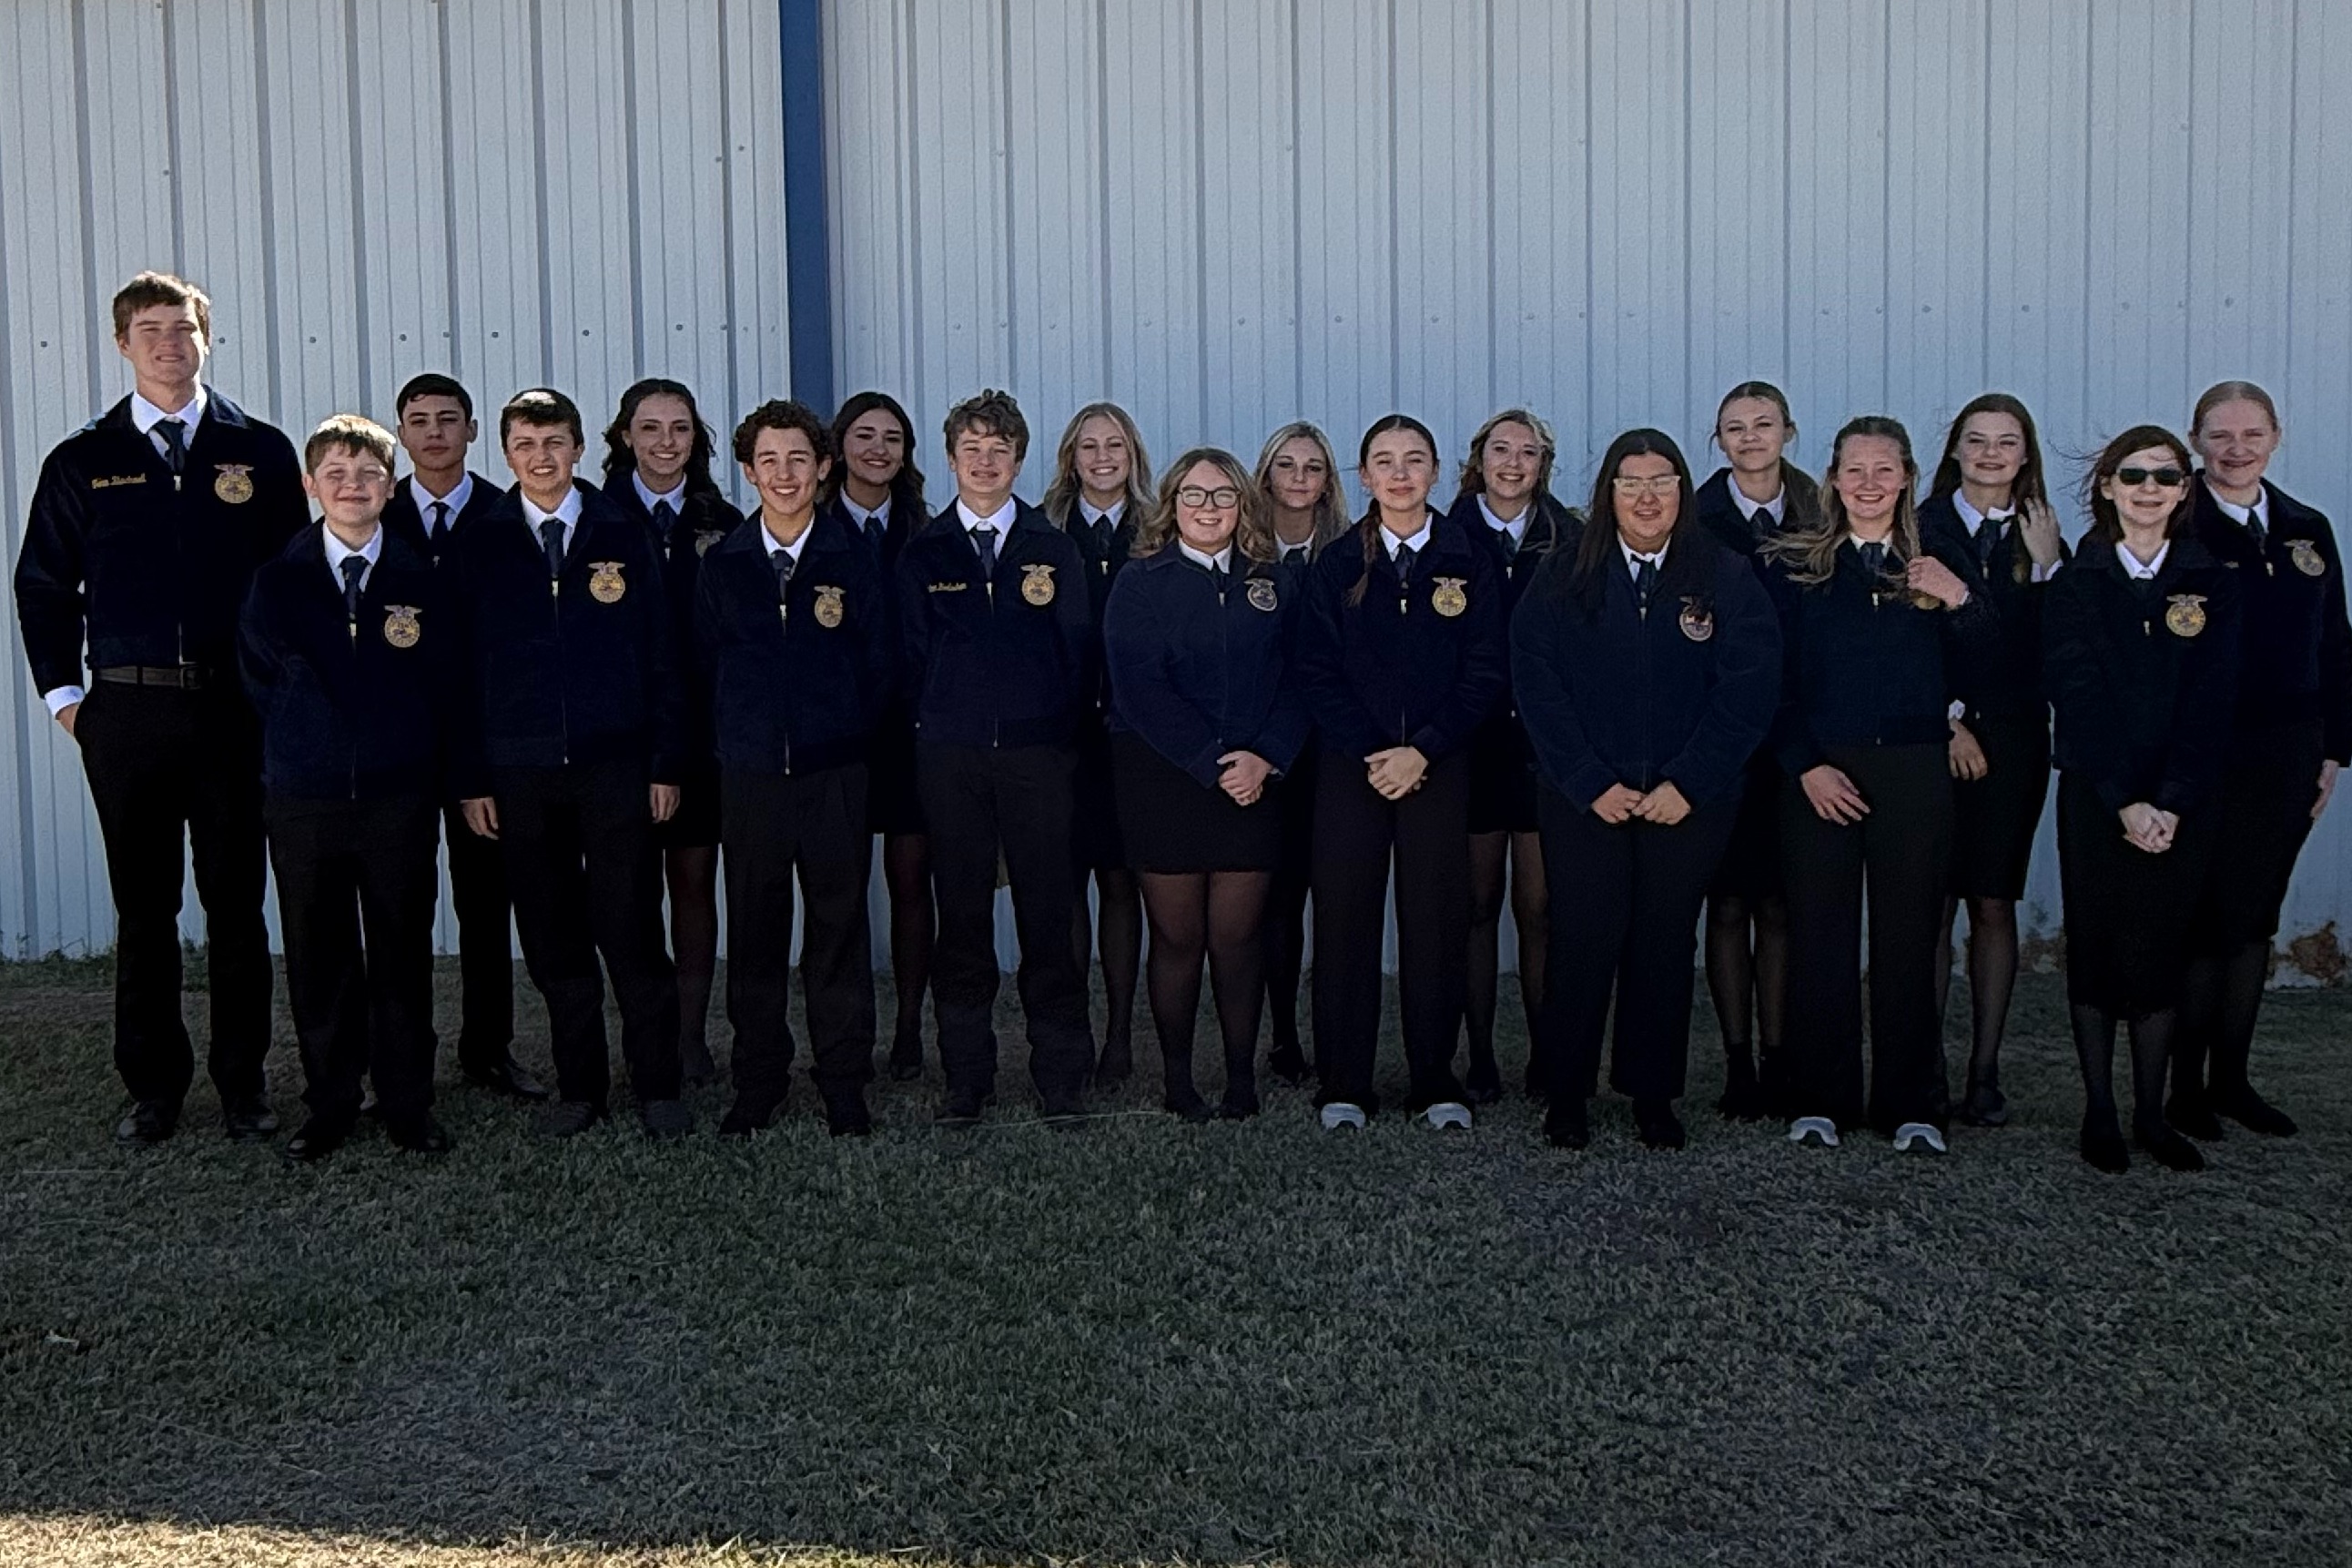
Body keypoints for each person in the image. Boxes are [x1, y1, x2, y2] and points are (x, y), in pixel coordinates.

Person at [14, 271, 305, 1144]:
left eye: (183, 329)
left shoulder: (256, 450)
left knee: (236, 905)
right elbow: (42, 585)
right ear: (121, 343)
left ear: (206, 338)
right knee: (145, 908)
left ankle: (244, 1082)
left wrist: (279, 694)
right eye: (149, 330)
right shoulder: (82, 458)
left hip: (231, 716)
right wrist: (70, 700)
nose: (168, 345)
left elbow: (293, 581)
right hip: (128, 718)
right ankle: (154, 1087)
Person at [1513, 430, 1779, 1149]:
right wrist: (1587, 779)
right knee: (1582, 939)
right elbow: (1536, 681)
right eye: (1629, 483)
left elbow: (1749, 689)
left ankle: (1652, 1092)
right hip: (1584, 798)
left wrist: (1688, 782)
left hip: (1685, 802)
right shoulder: (1565, 571)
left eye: (1661, 480)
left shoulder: (1722, 574)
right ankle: (1566, 1091)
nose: (1646, 496)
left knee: (1663, 942)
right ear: (1607, 493)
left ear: (1684, 490)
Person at [450, 388, 691, 1140]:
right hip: (521, 774)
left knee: (632, 929)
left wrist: (665, 762)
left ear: (581, 448)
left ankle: (658, 1085)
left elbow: (663, 656)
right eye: (524, 444)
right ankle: (579, 1086)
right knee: (553, 935)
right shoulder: (480, 538)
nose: (541, 456)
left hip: (615, 767)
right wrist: (471, 777)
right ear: (506, 453)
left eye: (554, 441)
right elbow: (456, 671)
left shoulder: (622, 528)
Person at [1764, 416, 1992, 1154]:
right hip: (1824, 771)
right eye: (1854, 470)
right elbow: (1771, 681)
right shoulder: (1798, 564)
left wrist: (1960, 600)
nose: (1868, 484)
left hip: (1915, 769)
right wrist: (1804, 764)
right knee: (1820, 933)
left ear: (1908, 478)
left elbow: (1994, 659)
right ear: (1832, 479)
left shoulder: (1942, 559)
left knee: (1909, 934)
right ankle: (1818, 1098)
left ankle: (1913, 1102)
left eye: (1884, 470)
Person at [238, 416, 456, 1163]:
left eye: (367, 474)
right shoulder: (277, 580)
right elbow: (263, 682)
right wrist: (313, 741)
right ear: (310, 485)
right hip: (305, 797)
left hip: (398, 796)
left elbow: (444, 684)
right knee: (318, 953)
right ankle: (329, 1102)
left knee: (401, 951)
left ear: (390, 487)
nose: (352, 486)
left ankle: (407, 1102)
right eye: (336, 473)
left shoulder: (422, 580)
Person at [1297, 415, 1505, 1131]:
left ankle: (1433, 1077)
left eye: (1414, 460)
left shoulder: (1468, 557)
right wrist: (1374, 752)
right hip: (1352, 768)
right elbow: (1317, 673)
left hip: (1438, 768)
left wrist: (1426, 748)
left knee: (1436, 922)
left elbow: (1485, 670)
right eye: (1384, 461)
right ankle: (1344, 1082)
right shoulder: (1336, 564)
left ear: (1437, 472)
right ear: (1363, 477)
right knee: (1346, 921)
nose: (1400, 473)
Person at [896, 389, 1099, 1125]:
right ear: (951, 460)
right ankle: (967, 1079)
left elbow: (1077, 653)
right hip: (951, 760)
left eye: (1000, 450)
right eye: (972, 449)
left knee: (1050, 917)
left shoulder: (1053, 548)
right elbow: (909, 658)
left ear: (1019, 460)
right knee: (963, 920)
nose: (986, 462)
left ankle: (1062, 1077)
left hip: (1037, 758)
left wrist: (1050, 736)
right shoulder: (924, 552)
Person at [2044, 428, 2241, 1173]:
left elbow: (2212, 701)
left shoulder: (2213, 580)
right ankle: (2099, 1111)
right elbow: (2077, 694)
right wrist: (2124, 799)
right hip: (2098, 797)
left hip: (2181, 803)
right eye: (2133, 475)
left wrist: (2171, 800)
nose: (2149, 488)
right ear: (2106, 486)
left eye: (2165, 476)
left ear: (2185, 490)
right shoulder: (2075, 581)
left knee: (2161, 952)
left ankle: (2152, 1114)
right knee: (2095, 948)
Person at [697, 400, 894, 1138]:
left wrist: (837, 735)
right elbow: (702, 668)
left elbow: (879, 669)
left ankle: (844, 1078)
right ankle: (758, 1079)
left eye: (798, 460)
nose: (784, 475)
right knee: (755, 930)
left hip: (834, 774)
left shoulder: (854, 560)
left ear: (823, 469)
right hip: (750, 777)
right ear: (749, 473)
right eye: (769, 461)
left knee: (838, 929)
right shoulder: (723, 565)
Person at [1103, 449, 1309, 1120]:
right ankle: (1179, 1082)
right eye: (1194, 496)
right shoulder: (1141, 582)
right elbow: (1139, 688)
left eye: (1223, 496)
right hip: (1166, 782)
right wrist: (1211, 761)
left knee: (1238, 938)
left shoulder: (1271, 582)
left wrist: (1265, 758)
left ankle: (1242, 1081)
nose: (1209, 508)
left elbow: (1300, 680)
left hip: (1254, 785)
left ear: (1243, 505)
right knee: (1179, 940)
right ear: (1172, 504)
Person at [2172, 381, 2352, 1138]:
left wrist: (2336, 749)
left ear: (2276, 435)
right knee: (2201, 916)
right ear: (2197, 439)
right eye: (2220, 435)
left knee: (2254, 918)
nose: (2236, 448)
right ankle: (2181, 1086)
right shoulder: (2177, 519)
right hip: (2205, 749)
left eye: (2251, 434)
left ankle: (2232, 1079)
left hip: (2289, 750)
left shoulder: (2306, 526)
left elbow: (2336, 641)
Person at [382, 373, 540, 1101]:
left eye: (450, 419)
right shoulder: (374, 511)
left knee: (485, 904)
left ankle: (489, 1048)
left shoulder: (508, 517)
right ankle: (399, 1058)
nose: (435, 433)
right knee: (398, 907)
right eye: (419, 421)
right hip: (401, 746)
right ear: (401, 434)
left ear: (474, 431)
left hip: (483, 745)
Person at [1918, 393, 2065, 1128]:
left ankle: (1984, 1070)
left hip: (2013, 740)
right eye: (1976, 440)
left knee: (1993, 900)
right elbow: (1912, 644)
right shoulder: (1923, 525)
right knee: (1932, 902)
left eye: (2006, 442)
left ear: (2024, 454)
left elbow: (2048, 657)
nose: (1990, 453)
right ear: (1954, 450)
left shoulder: (2043, 536)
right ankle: (1927, 1068)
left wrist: (2045, 574)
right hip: (1934, 733)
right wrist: (1947, 720)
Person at [603, 379, 745, 1087]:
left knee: (693, 882)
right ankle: (643, 1040)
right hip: (621, 735)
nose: (666, 442)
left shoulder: (722, 519)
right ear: (624, 436)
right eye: (650, 428)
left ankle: (689, 1037)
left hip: (701, 737)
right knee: (627, 894)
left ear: (697, 439)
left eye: (680, 429)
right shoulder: (596, 518)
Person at [1690, 380, 1817, 1120]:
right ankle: (1737, 1060)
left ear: (1787, 432)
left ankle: (1780, 1055)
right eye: (1734, 427)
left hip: (1799, 740)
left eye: (1762, 425)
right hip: (1723, 741)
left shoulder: (1818, 514)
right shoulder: (1696, 519)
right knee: (1729, 901)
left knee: (1784, 904)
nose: (1749, 438)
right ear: (1719, 439)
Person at [1445, 409, 1572, 1102]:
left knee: (1541, 905)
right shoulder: (1447, 535)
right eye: (1501, 449)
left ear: (1543, 463)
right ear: (1479, 458)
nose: (1514, 463)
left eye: (1528, 452)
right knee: (1473, 903)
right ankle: (1480, 1057)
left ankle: (1547, 1054)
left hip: (1544, 747)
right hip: (1469, 746)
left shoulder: (1571, 537)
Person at [824, 391, 934, 1080]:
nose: (878, 450)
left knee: (910, 883)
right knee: (841, 888)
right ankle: (848, 1032)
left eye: (892, 438)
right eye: (864, 436)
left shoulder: (926, 532)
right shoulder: (811, 525)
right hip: (834, 734)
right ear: (839, 448)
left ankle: (909, 1029)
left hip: (910, 735)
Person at [1042, 402, 1151, 1085]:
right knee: (1064, 883)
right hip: (1058, 737)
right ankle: (1073, 1033)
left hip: (1134, 737)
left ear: (1133, 454)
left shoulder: (1159, 530)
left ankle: (1118, 1034)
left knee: (1121, 882)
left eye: (1115, 445)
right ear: (1071, 458)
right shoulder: (1043, 531)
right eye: (1089, 446)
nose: (1103, 457)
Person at [1251, 421, 1353, 1086]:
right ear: (1266, 475)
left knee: (1335, 896)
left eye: (1312, 467)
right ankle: (1284, 1035)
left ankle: (1336, 1033)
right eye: (1285, 464)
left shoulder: (1350, 553)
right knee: (1277, 899)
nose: (1297, 477)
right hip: (1263, 748)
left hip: (1334, 748)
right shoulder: (1242, 549)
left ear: (1328, 481)